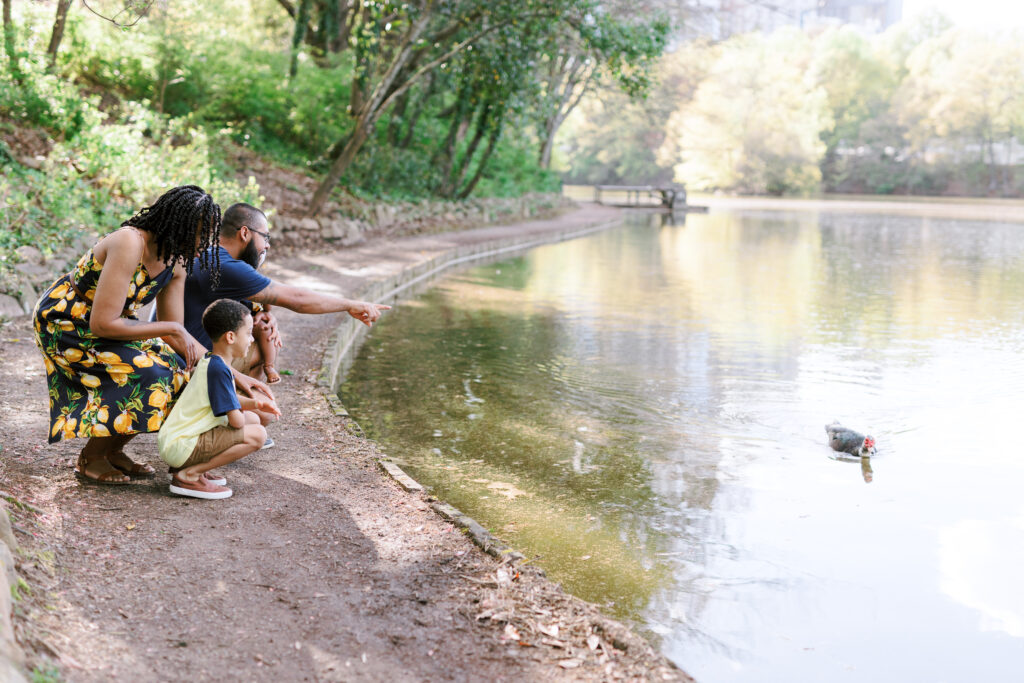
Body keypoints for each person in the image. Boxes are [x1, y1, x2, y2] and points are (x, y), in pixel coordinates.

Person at [33, 185, 218, 484]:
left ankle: (114, 449)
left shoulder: (176, 262)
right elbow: (103, 324)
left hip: (112, 323)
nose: (203, 245)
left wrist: (218, 366)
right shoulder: (129, 242)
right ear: (176, 225)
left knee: (178, 370)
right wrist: (172, 330)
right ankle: (91, 457)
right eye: (199, 236)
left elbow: (175, 334)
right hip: (67, 321)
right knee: (150, 373)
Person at [178, 203, 390, 382]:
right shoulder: (228, 267)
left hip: (185, 351)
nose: (267, 246)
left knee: (261, 331)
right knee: (262, 359)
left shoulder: (211, 255)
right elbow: (297, 299)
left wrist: (262, 315)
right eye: (265, 237)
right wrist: (351, 305)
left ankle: (244, 402)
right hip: (193, 361)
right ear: (244, 233)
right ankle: (241, 407)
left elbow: (256, 303)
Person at [158, 299, 280, 499]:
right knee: (258, 434)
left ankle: (197, 467)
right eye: (248, 333)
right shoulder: (220, 370)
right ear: (230, 337)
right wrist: (241, 411)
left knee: (253, 419)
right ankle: (190, 474)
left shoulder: (212, 362)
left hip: (178, 442)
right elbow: (235, 420)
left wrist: (257, 404)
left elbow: (225, 400)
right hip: (181, 446)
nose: (251, 340)